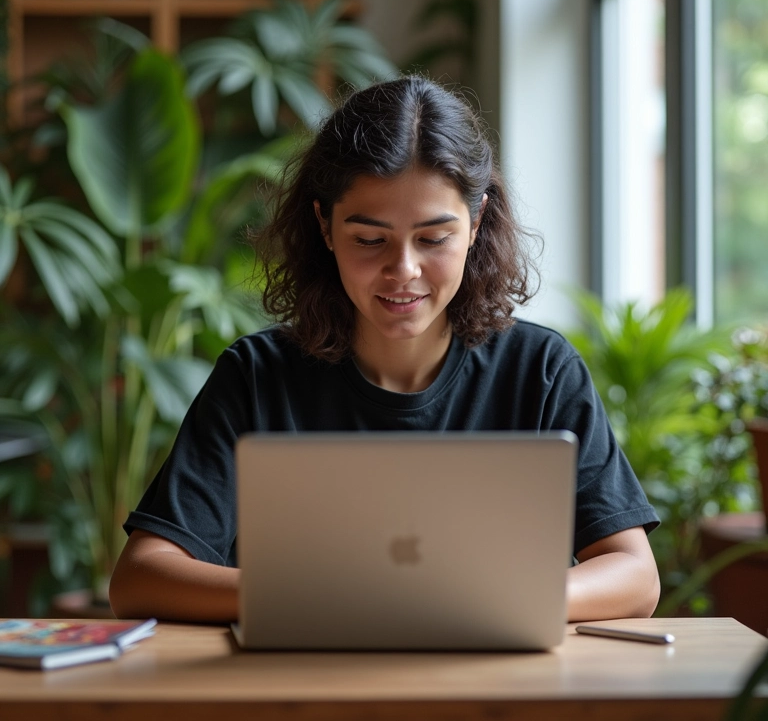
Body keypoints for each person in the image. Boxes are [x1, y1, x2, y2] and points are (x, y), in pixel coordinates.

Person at [109, 76, 660, 624]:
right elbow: (140, 577)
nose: (404, 270)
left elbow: (634, 574)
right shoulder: (257, 376)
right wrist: (330, 598)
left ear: (477, 223)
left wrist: (490, 600)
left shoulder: (539, 371)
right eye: (370, 240)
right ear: (325, 226)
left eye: (434, 238)